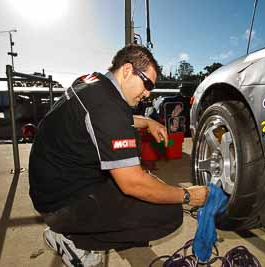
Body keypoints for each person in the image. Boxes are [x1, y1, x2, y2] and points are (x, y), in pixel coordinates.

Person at [28, 44, 209, 267]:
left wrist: (147, 121)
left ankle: (80, 227)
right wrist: (188, 195)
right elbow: (132, 184)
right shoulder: (109, 107)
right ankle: (70, 239)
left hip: (49, 186)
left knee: (151, 181)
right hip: (61, 204)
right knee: (168, 212)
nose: (148, 93)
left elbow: (100, 120)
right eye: (147, 83)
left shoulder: (91, 81)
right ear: (127, 70)